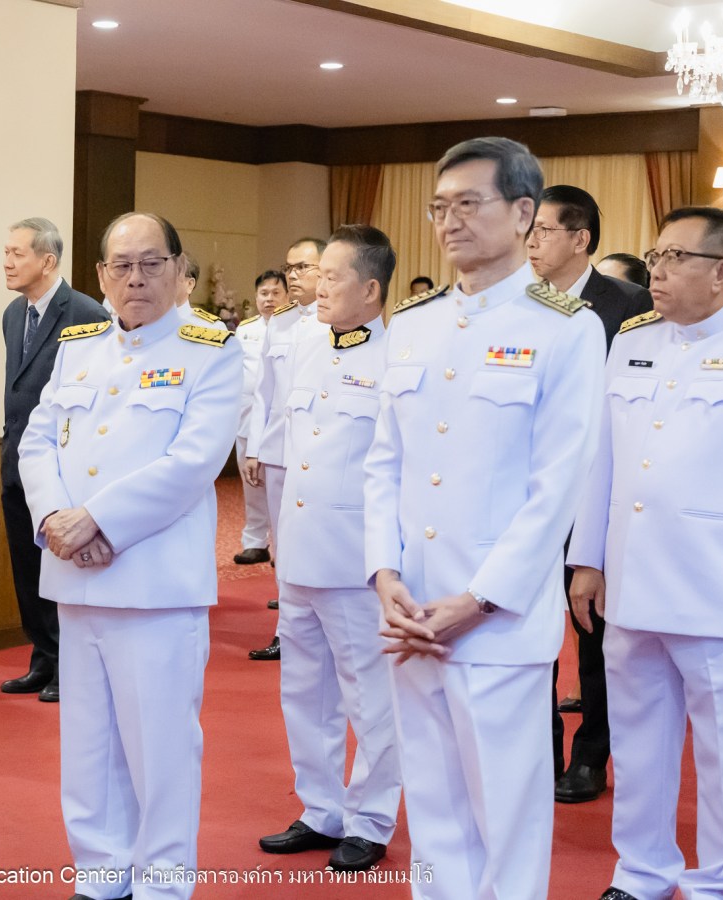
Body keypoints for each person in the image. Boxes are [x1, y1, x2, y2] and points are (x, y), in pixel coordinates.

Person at [364, 136, 605, 900]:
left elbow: (556, 487)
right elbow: (384, 462)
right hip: (412, 611)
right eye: (440, 207)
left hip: (495, 618)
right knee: (433, 812)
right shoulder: (414, 324)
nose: (450, 222)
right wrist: (385, 574)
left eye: (470, 203)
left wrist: (477, 600)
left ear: (525, 212)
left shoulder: (566, 326)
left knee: (506, 815)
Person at [19, 211, 241, 900]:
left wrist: (98, 521)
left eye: (152, 263)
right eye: (122, 265)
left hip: (153, 585)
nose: (136, 278)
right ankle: (100, 875)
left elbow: (192, 462)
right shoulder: (79, 347)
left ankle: (164, 886)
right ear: (100, 276)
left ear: (179, 270)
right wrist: (56, 517)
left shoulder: (212, 348)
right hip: (77, 583)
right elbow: (37, 443)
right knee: (88, 746)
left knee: (161, 751)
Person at [569, 207, 723, 900]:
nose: (657, 269)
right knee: (642, 741)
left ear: (721, 272)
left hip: (717, 589)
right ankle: (642, 873)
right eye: (655, 255)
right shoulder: (631, 343)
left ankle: (718, 884)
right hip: (630, 583)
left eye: (676, 257)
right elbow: (603, 462)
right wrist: (587, 560)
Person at [259, 225, 401, 872]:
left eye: (333, 276)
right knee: (304, 690)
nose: (316, 286)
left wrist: (385, 564)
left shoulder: (395, 363)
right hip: (300, 551)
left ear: (370, 289)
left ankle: (370, 819)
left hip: (354, 562)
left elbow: (394, 473)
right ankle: (321, 808)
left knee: (371, 698)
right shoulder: (308, 348)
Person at [526, 184, 654, 803]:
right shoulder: (518, 304)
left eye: (543, 230)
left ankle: (590, 757)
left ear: (580, 239)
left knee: (595, 636)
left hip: (599, 496)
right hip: (531, 494)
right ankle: (538, 750)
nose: (530, 242)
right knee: (528, 627)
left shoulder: (630, 307)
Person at [0, 217, 108, 703]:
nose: (7, 261)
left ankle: (69, 664)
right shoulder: (11, 314)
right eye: (6, 252)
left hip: (62, 471)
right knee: (26, 569)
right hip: (16, 461)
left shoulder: (84, 312)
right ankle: (42, 657)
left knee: (59, 570)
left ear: (48, 260)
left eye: (18, 253)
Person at [243, 236, 328, 661]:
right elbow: (264, 393)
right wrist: (255, 448)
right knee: (281, 544)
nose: (294, 275)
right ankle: (287, 630)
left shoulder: (339, 321)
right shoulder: (279, 322)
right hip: (278, 451)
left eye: (303, 267)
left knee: (317, 539)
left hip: (320, 454)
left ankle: (321, 628)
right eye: (289, 267)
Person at [232, 271, 285, 565]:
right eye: (264, 293)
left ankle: (281, 546)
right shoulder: (246, 330)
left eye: (276, 293)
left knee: (279, 484)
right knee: (251, 483)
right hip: (247, 416)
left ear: (287, 296)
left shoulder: (294, 329)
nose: (269, 299)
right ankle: (255, 541)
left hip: (279, 419)